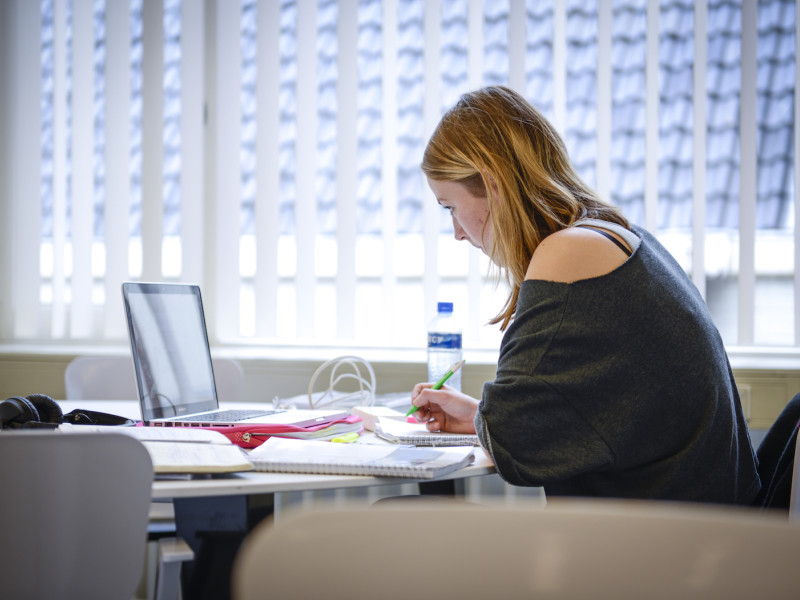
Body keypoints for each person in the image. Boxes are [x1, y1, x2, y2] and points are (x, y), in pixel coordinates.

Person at [408, 85, 760, 505]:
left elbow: (515, 441)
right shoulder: (614, 235)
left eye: (450, 206)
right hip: (707, 525)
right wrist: (479, 417)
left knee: (407, 520)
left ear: (492, 183)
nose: (457, 233)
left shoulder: (568, 253)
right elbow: (571, 415)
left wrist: (493, 421)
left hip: (668, 547)